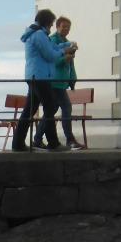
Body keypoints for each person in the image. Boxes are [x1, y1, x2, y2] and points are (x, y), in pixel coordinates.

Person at [12, 9, 73, 152]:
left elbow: (52, 47)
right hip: (40, 77)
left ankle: (18, 144)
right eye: (51, 24)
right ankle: (53, 143)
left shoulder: (38, 34)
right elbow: (50, 55)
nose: (51, 26)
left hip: (34, 76)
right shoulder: (39, 35)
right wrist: (64, 52)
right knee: (50, 106)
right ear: (47, 22)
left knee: (30, 110)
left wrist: (66, 45)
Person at [34, 16, 82, 150]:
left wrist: (72, 79)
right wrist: (65, 59)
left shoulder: (66, 42)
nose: (66, 29)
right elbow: (53, 61)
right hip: (54, 81)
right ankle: (70, 140)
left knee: (51, 110)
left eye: (68, 27)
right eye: (64, 26)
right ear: (57, 26)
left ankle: (37, 139)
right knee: (66, 107)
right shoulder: (53, 40)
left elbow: (69, 63)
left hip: (60, 82)